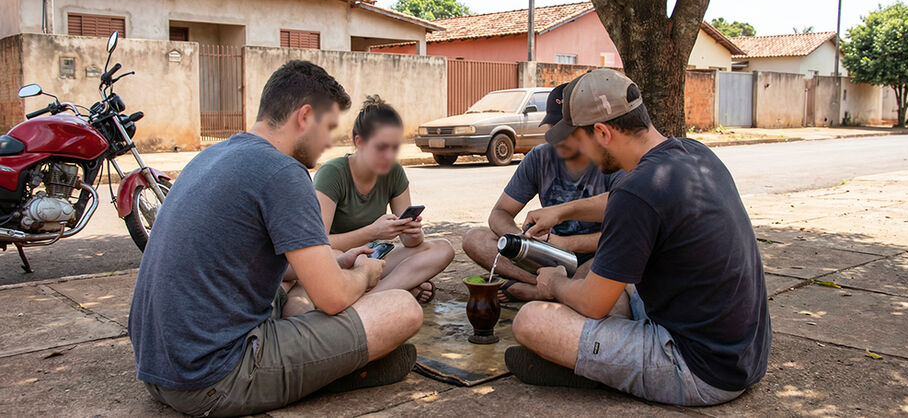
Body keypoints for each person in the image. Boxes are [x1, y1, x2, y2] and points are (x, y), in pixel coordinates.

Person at [129, 61, 424, 417]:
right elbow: (332, 298)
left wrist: (338, 261)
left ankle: (324, 367)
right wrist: (364, 272)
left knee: (295, 291)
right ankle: (330, 372)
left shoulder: (211, 156)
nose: (329, 142)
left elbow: (260, 263)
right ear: (304, 117)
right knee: (401, 309)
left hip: (158, 370)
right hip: (214, 378)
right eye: (328, 128)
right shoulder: (283, 172)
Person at [503, 69, 771, 406]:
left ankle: (596, 371)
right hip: (744, 355)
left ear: (602, 132)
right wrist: (562, 211)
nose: (580, 152)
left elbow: (592, 304)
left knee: (532, 321)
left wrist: (553, 282)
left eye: (580, 140)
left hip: (698, 369)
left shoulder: (637, 190)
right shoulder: (693, 154)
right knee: (613, 280)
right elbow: (627, 203)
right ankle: (597, 363)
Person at [461, 83, 621, 302]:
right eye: (553, 129)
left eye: (567, 131)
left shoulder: (611, 160)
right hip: (546, 256)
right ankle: (541, 285)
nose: (557, 139)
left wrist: (565, 242)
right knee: (475, 239)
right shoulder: (539, 157)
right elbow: (500, 213)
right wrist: (523, 242)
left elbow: (623, 227)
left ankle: (552, 289)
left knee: (617, 254)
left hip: (591, 258)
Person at [311, 95, 454, 305]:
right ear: (359, 142)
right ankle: (401, 287)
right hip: (339, 260)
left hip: (374, 260)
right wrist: (372, 232)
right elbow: (317, 244)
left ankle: (370, 296)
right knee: (339, 258)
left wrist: (413, 232)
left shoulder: (393, 172)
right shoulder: (332, 174)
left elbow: (411, 243)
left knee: (443, 248)